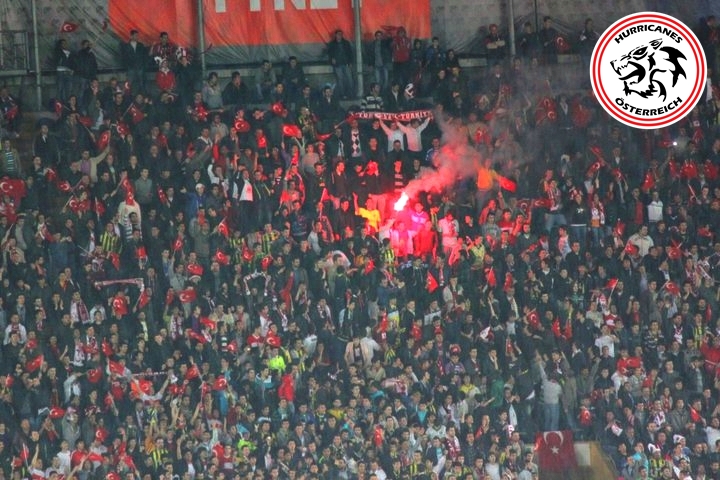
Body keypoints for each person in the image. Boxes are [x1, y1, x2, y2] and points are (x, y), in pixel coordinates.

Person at [327, 29, 354, 99]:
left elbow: (350, 53)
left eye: (341, 34)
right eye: (338, 34)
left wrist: (350, 62)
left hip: (346, 63)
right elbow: (329, 53)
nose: (340, 36)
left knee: (349, 79)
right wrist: (332, 59)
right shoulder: (332, 44)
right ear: (335, 35)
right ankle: (342, 94)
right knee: (340, 80)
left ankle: (351, 94)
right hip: (337, 65)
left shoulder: (346, 43)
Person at [120, 29, 148, 94]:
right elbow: (124, 57)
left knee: (141, 83)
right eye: (135, 35)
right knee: (128, 84)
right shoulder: (126, 46)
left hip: (140, 67)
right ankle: (127, 95)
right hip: (130, 68)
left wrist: (142, 66)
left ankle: (142, 95)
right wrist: (127, 66)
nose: (137, 37)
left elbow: (144, 56)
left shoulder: (141, 45)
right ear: (131, 36)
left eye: (137, 36)